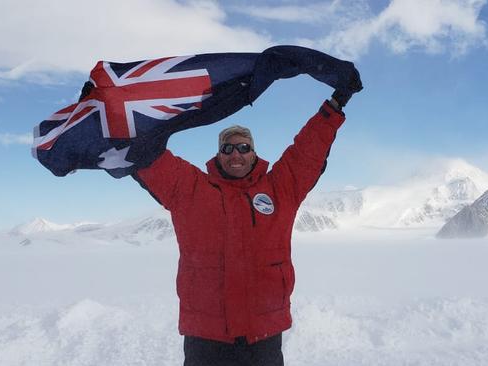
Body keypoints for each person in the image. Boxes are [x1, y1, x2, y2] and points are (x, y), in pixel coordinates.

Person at [133, 82, 360, 365]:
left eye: (243, 147)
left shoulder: (280, 188)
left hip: (262, 333)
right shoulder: (191, 189)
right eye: (227, 148)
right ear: (218, 155)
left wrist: (335, 106)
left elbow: (306, 152)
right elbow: (148, 158)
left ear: (253, 153)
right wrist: (110, 115)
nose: (235, 154)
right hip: (207, 335)